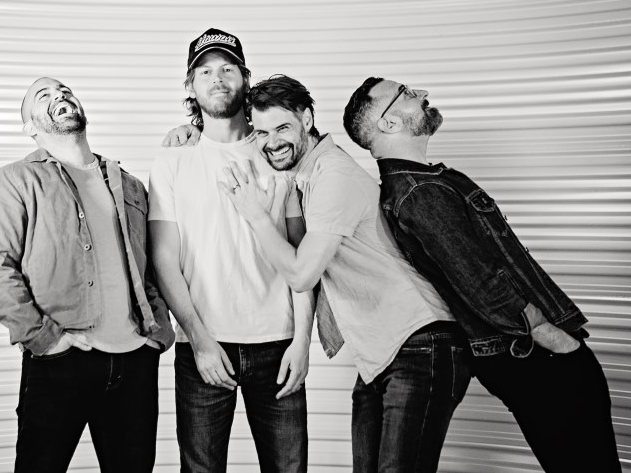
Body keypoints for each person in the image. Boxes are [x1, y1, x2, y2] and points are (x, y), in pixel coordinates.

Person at [170, 74, 471, 473]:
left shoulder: (332, 175)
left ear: (307, 120)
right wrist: (191, 131)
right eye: (262, 132)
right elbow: (228, 140)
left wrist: (255, 215)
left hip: (420, 343)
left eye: (283, 128)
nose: (271, 142)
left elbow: (300, 274)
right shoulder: (303, 172)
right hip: (382, 352)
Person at [342, 76, 622, 473]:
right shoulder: (418, 192)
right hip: (534, 354)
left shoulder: (425, 183)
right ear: (388, 123)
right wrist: (553, 338)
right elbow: (479, 279)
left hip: (526, 354)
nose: (422, 93)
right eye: (405, 93)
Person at [0, 77, 174, 473]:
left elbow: (148, 265)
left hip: (134, 361)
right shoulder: (16, 180)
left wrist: (158, 331)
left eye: (64, 90)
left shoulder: (129, 184)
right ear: (30, 127)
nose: (60, 95)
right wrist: (45, 340)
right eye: (44, 95)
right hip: (60, 361)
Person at [148, 30, 314, 472]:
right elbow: (164, 259)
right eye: (204, 71)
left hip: (279, 344)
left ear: (245, 78)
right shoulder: (172, 160)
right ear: (190, 86)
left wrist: (303, 341)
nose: (217, 78)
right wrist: (199, 340)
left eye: (227, 68)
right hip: (203, 344)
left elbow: (302, 255)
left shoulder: (278, 152)